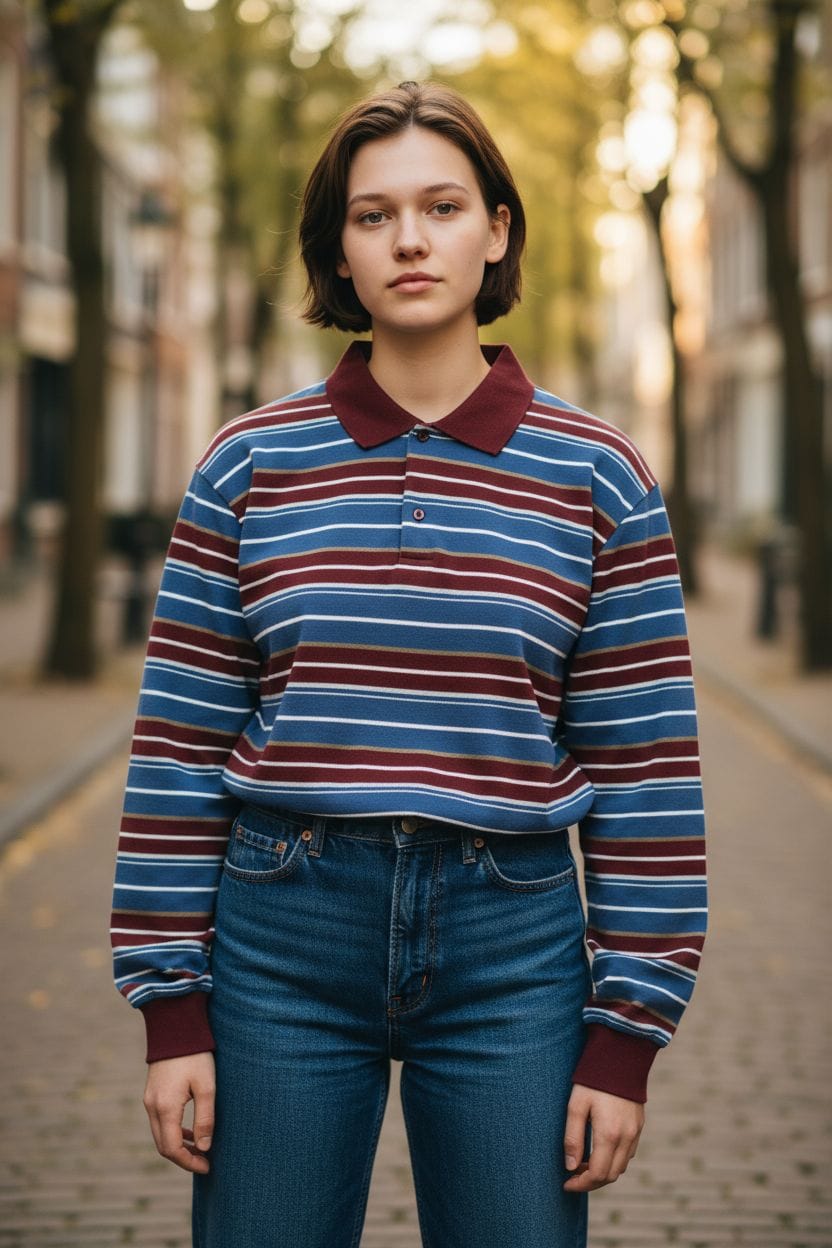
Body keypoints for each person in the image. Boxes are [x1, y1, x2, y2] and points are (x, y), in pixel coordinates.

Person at [110, 79, 707, 1248]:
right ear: (338, 249)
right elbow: (178, 744)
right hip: (279, 942)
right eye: (372, 215)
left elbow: (645, 770)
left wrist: (625, 1037)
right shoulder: (247, 465)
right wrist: (171, 1012)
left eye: (442, 206)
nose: (409, 240)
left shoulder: (601, 476)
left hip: (513, 950)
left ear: (496, 230)